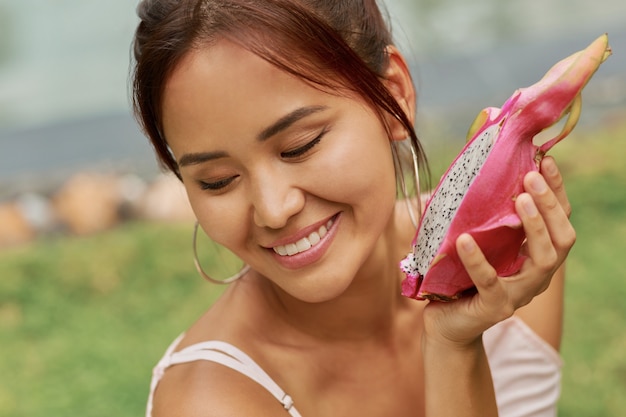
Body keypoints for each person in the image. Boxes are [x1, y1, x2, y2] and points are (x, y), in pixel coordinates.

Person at [131, 1, 575, 416]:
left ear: (394, 97)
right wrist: (453, 348)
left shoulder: (500, 252)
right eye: (217, 180)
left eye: (299, 146)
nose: (272, 210)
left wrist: (454, 342)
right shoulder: (211, 402)